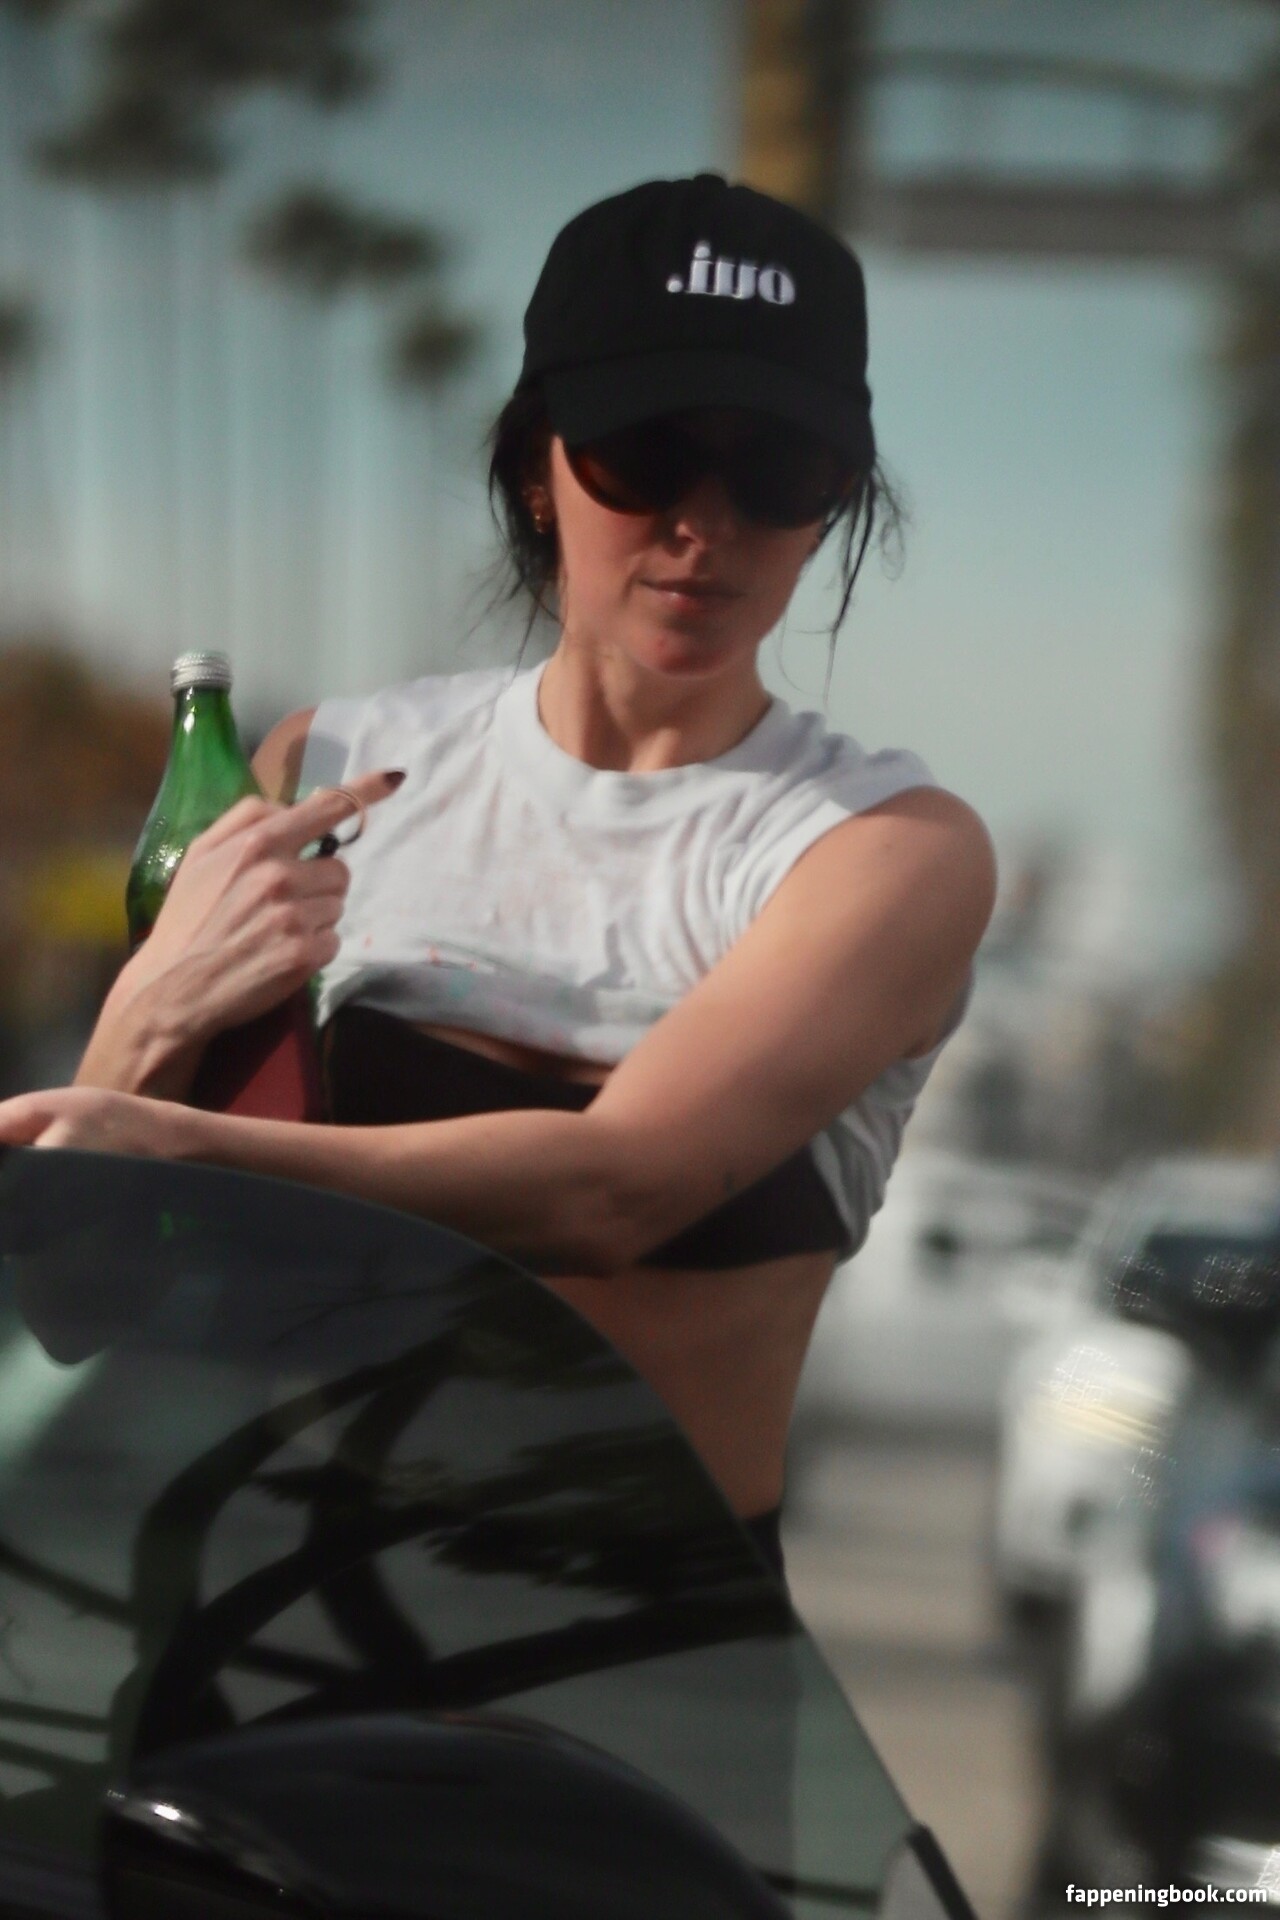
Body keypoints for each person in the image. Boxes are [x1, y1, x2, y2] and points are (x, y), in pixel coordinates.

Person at [0, 174, 995, 1581]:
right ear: (539, 465)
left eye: (778, 469)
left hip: (653, 1657)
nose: (705, 525)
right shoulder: (327, 766)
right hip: (277, 1621)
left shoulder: (885, 850)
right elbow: (78, 1298)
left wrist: (186, 1144)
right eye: (646, 454)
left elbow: (614, 1193)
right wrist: (148, 1016)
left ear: (837, 500)